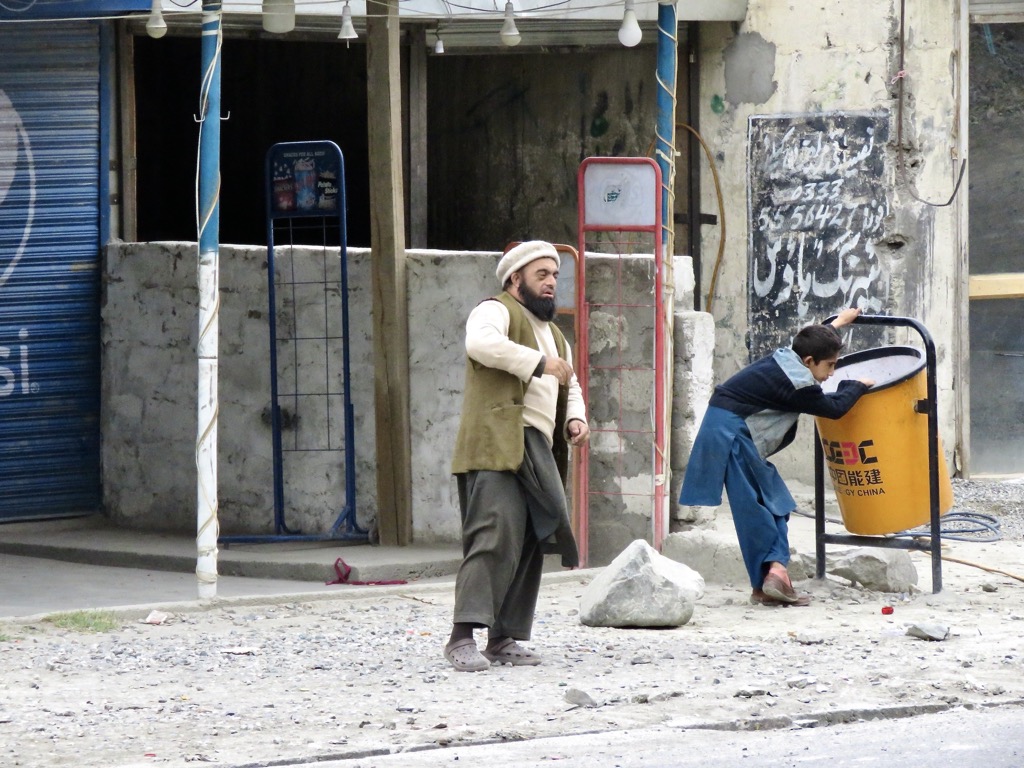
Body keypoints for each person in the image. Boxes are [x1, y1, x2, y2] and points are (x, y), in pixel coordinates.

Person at [445, 240, 590, 672]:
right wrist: (539, 363)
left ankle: (502, 636)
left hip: (538, 447)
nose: (550, 283)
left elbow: (571, 382)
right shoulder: (495, 311)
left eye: (554, 276)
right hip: (499, 442)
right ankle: (461, 637)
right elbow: (481, 344)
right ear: (515, 279)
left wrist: (575, 419)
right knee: (495, 534)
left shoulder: (555, 334)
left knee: (531, 538)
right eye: (541, 274)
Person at [679, 308, 874, 606]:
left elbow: (814, 339)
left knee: (775, 503)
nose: (832, 373)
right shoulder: (799, 384)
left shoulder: (790, 356)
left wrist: (838, 323)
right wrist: (858, 386)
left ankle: (772, 578)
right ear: (809, 362)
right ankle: (773, 577)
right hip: (731, 436)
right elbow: (834, 409)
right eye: (831, 366)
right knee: (757, 511)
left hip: (733, 430)